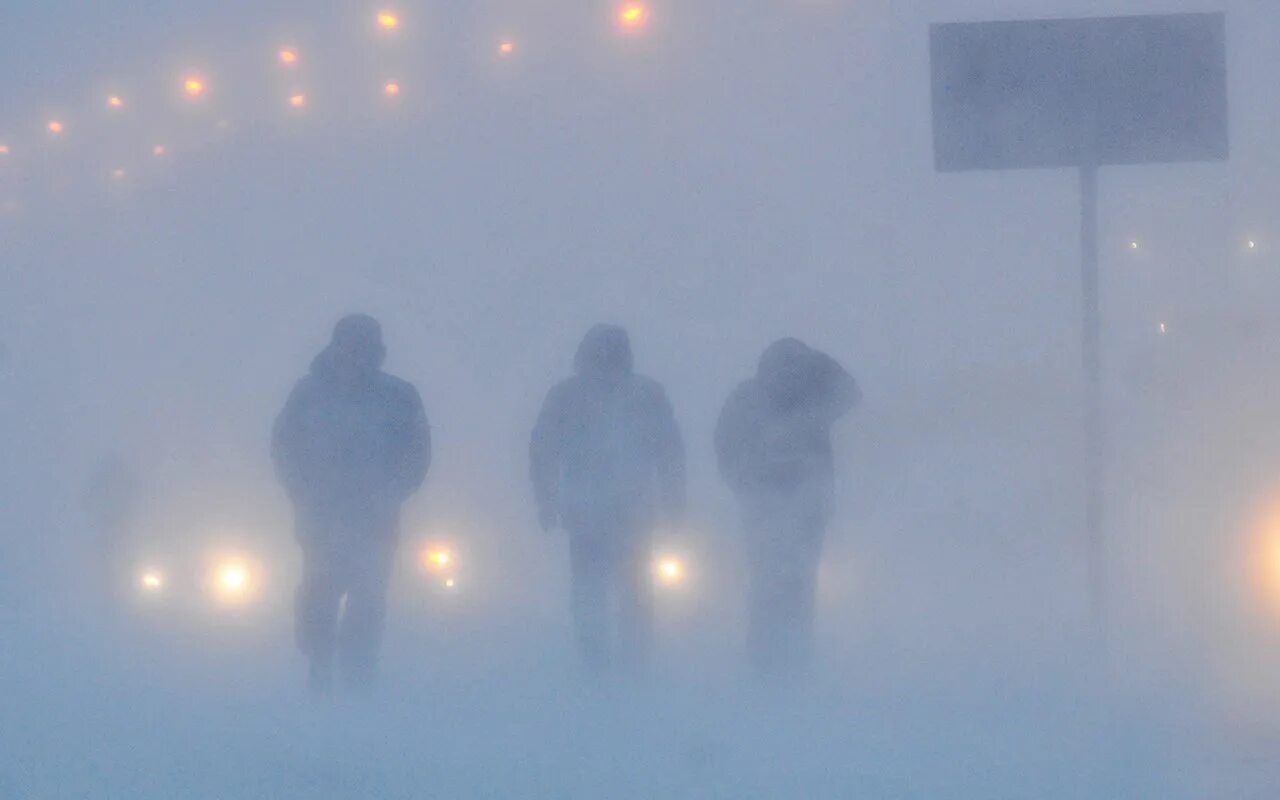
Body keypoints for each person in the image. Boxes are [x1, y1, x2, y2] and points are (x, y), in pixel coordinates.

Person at [272, 314, 430, 693]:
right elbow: (283, 445)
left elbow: (419, 452)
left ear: (377, 352)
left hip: (376, 515)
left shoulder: (400, 395)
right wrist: (300, 491)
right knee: (319, 591)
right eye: (350, 347)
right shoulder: (308, 393)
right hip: (320, 514)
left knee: (369, 596)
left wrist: (394, 490)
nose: (357, 357)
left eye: (365, 349)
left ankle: (359, 678)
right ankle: (319, 668)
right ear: (336, 347)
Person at [530, 325, 685, 670]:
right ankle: (611, 665)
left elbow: (669, 451)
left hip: (611, 509)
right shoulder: (641, 393)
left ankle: (611, 665)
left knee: (613, 592)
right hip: (604, 508)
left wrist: (546, 499)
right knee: (617, 593)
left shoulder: (572, 394)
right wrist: (674, 502)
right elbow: (544, 450)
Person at [714, 338, 860, 674]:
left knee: (771, 580)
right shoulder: (814, 400)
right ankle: (789, 659)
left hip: (778, 506)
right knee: (794, 583)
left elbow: (723, 445)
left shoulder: (753, 396)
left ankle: (769, 658)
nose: (788, 376)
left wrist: (740, 483)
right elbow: (850, 393)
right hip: (792, 506)